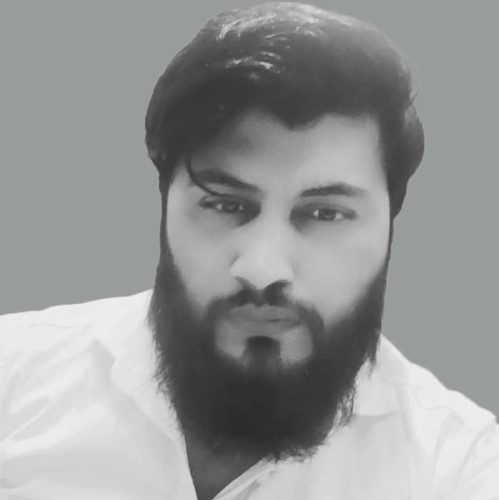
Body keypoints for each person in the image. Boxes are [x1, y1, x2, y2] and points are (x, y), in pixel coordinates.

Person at [1, 3, 498, 499]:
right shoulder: (13, 380)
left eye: (326, 213)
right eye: (225, 204)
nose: (263, 268)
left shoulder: (459, 468)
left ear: (391, 225)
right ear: (164, 204)